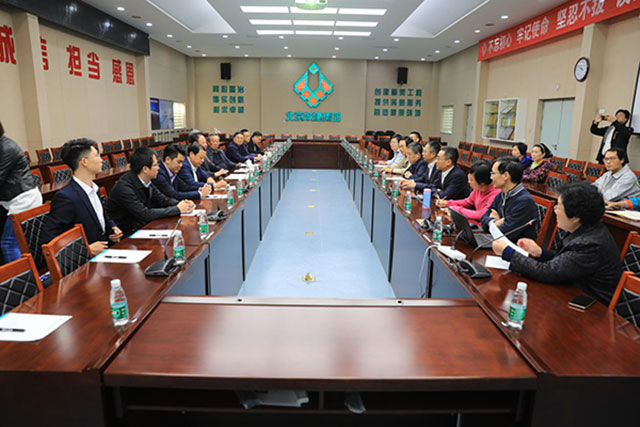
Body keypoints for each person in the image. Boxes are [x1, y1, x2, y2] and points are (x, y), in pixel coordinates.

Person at [492, 181, 622, 305]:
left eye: (559, 207)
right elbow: (566, 262)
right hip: (567, 291)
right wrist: (541, 253)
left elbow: (547, 272)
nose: (555, 211)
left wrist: (508, 252)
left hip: (589, 307)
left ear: (576, 217)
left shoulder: (591, 244)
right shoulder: (585, 228)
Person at [42, 139, 122, 256]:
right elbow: (49, 240)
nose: (101, 160)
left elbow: (100, 217)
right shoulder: (66, 197)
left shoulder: (94, 189)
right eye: (97, 155)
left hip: (104, 252)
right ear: (84, 162)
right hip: (84, 262)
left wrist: (112, 228)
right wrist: (86, 249)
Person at [106, 147, 194, 237]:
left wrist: (182, 204)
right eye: (155, 165)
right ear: (145, 169)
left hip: (141, 228)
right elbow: (145, 214)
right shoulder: (124, 187)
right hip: (124, 234)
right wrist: (177, 209)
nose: (158, 168)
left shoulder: (146, 181)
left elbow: (163, 199)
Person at [0, 121, 43, 263]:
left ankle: (19, 276)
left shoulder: (6, 148)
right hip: (11, 200)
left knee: (8, 243)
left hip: (23, 200)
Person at [481, 156, 537, 241]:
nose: (491, 177)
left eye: (493, 173)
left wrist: (491, 223)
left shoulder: (524, 202)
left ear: (506, 175)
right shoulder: (501, 195)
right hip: (498, 242)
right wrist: (494, 222)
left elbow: (503, 232)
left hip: (514, 247)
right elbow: (483, 219)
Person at [436, 160, 500, 225]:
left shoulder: (495, 194)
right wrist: (448, 203)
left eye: (471, 180)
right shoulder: (478, 188)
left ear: (482, 183)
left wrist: (456, 209)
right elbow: (468, 202)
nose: (468, 182)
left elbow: (482, 214)